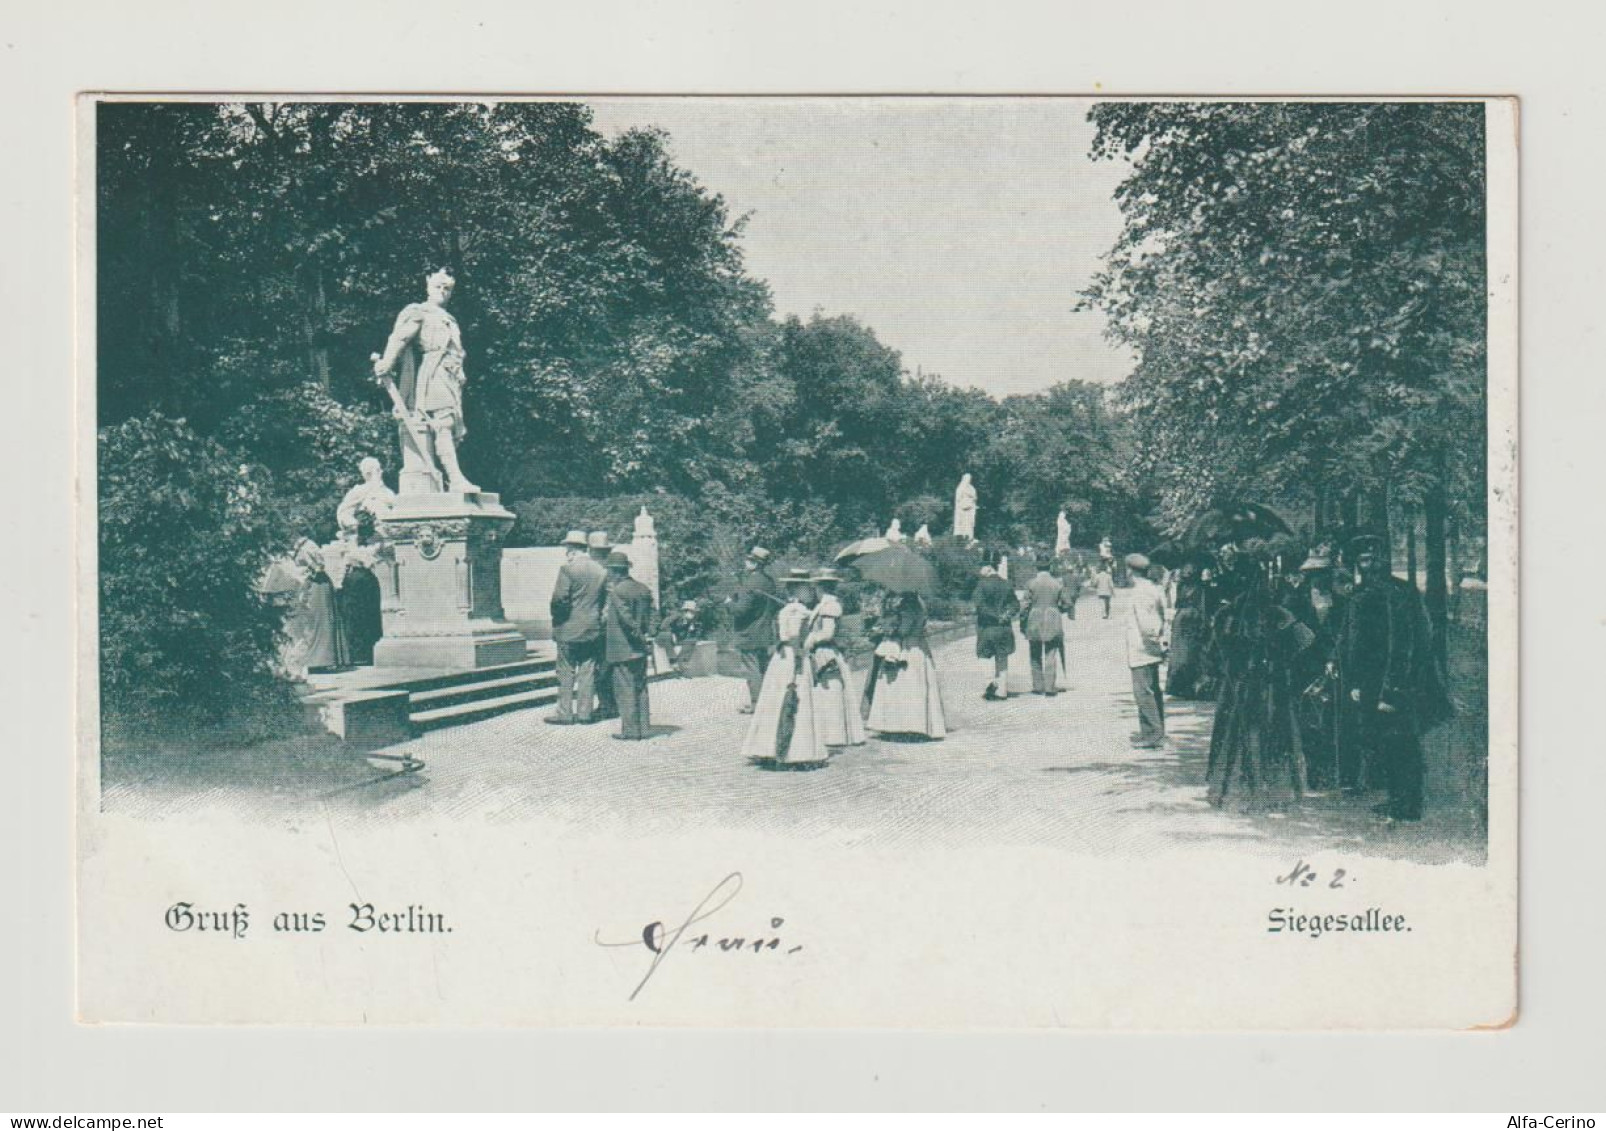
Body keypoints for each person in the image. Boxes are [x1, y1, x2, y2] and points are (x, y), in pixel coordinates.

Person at [1333, 534, 1452, 821]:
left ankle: (1406, 805)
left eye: (1374, 557)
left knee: (1399, 741)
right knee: (1390, 742)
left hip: (1389, 682)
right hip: (1374, 682)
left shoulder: (1390, 594)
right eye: (1363, 559)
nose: (1370, 563)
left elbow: (1404, 643)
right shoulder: (1370, 592)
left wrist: (1391, 690)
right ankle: (1400, 799)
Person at [371, 268, 478, 493]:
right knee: (443, 423)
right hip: (434, 372)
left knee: (447, 423)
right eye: (437, 286)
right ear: (428, 287)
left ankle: (449, 478)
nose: (442, 291)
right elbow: (400, 337)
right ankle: (455, 479)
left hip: (451, 376)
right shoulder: (420, 311)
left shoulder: (449, 318)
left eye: (447, 288)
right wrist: (387, 363)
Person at [739, 570, 829, 766]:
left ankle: (769, 746)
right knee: (795, 698)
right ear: (799, 589)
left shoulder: (786, 610)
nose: (811, 592)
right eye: (807, 588)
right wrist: (803, 651)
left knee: (775, 698)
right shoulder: (800, 611)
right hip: (794, 656)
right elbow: (793, 636)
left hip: (781, 658)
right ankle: (795, 751)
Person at [866, 591, 947, 739]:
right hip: (919, 646)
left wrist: (887, 630)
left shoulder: (909, 607)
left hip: (909, 648)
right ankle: (914, 724)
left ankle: (906, 725)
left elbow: (904, 630)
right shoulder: (919, 605)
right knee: (916, 686)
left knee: (905, 686)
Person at [546, 530, 607, 725]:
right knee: (587, 670)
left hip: (568, 628)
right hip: (592, 629)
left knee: (565, 670)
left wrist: (558, 619)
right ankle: (585, 713)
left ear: (572, 550)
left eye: (567, 549)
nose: (566, 553)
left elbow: (559, 599)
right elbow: (604, 602)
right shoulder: (601, 571)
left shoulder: (567, 569)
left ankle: (565, 713)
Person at [806, 569, 866, 748]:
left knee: (831, 691)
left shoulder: (830, 605)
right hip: (821, 651)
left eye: (816, 586)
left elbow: (827, 633)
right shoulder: (824, 604)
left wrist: (811, 639)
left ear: (820, 587)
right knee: (825, 692)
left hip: (826, 652)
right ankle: (826, 732)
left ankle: (834, 734)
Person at [602, 550, 657, 741]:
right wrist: (650, 635)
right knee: (641, 687)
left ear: (615, 572)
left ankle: (630, 731)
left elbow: (626, 619)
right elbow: (653, 614)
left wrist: (638, 635)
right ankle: (644, 727)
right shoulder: (642, 588)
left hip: (623, 648)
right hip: (640, 649)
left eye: (609, 571)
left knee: (625, 689)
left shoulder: (617, 592)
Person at [729, 547, 781, 714]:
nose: (746, 562)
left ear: (755, 563)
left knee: (751, 670)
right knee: (764, 668)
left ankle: (757, 704)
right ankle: (768, 702)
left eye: (749, 560)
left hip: (749, 633)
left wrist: (729, 603)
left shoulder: (750, 583)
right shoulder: (769, 582)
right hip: (765, 631)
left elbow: (740, 610)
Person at [1126, 554, 1169, 748]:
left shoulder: (1139, 592)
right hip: (1151, 648)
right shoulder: (1153, 588)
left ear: (1130, 571)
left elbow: (1146, 623)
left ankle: (1153, 734)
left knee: (1143, 692)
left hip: (1142, 648)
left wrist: (1153, 639)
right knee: (1153, 691)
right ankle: (1154, 731)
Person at [290, 536, 348, 674]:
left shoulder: (308, 546)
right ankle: (314, 660)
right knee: (310, 622)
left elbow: (318, 568)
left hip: (317, 585)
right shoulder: (297, 546)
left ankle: (322, 660)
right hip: (309, 585)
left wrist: (306, 573)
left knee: (319, 621)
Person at [1022, 561, 1072, 695]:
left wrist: (1023, 621)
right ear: (1050, 567)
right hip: (1052, 617)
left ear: (1036, 567)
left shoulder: (1031, 583)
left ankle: (1038, 686)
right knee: (1051, 653)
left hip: (1034, 618)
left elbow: (1025, 605)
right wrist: (1058, 609)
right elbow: (1067, 603)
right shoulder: (1057, 583)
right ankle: (1050, 687)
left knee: (1034, 653)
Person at [973, 564, 1019, 701]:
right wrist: (1005, 615)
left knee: (983, 655)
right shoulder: (1007, 584)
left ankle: (990, 682)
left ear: (988, 568)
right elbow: (1015, 605)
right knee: (1002, 657)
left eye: (981, 568)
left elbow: (980, 606)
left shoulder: (981, 585)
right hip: (1004, 627)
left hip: (987, 627)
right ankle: (1002, 690)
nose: (980, 572)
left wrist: (994, 616)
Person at [587, 532, 620, 722]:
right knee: (608, 668)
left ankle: (607, 705)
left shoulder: (601, 573)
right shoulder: (612, 571)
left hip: (603, 628)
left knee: (602, 669)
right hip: (611, 628)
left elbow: (607, 604)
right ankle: (611, 704)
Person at [661, 600, 703, 673]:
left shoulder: (690, 620)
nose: (693, 614)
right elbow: (663, 626)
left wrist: (693, 630)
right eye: (692, 612)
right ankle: (673, 662)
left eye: (694, 613)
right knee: (667, 637)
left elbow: (690, 632)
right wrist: (672, 634)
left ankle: (684, 662)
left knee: (692, 641)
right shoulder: (676, 616)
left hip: (678, 638)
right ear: (685, 611)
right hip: (667, 637)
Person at [952, 473, 977, 540]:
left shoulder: (972, 488)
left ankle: (969, 537)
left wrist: (971, 498)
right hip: (962, 510)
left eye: (970, 479)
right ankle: (962, 538)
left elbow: (975, 497)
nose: (969, 480)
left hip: (970, 509)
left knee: (969, 525)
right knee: (962, 524)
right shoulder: (960, 487)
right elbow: (958, 499)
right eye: (967, 478)